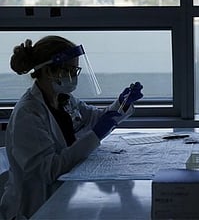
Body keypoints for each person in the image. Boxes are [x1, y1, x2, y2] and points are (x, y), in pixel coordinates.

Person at [0, 36, 143, 219]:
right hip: (34, 207)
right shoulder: (28, 114)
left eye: (75, 70)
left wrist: (121, 105)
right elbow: (49, 170)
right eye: (69, 70)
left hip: (63, 194)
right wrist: (95, 136)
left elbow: (96, 119)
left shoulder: (63, 99)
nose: (74, 76)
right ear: (48, 71)